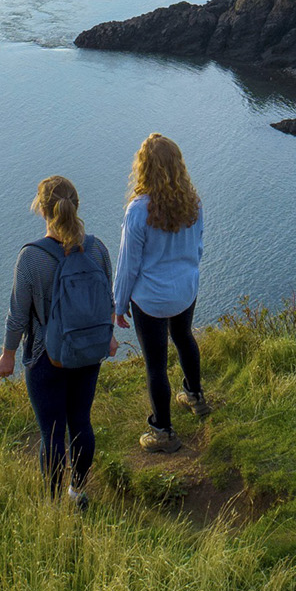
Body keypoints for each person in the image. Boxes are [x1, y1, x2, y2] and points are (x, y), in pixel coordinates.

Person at [0, 175, 116, 509]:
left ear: (42, 210)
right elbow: (107, 298)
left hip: (46, 357)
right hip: (88, 353)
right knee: (81, 422)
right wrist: (110, 337)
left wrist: (7, 355)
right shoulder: (96, 248)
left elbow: (18, 315)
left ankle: (51, 505)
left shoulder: (32, 258)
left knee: (52, 433)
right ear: (76, 206)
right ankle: (77, 492)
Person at [113, 133, 207, 454]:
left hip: (152, 299)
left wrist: (119, 304)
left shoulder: (138, 211)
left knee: (155, 363)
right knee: (184, 337)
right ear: (177, 166)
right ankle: (195, 396)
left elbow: (128, 265)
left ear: (145, 168)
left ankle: (163, 432)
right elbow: (197, 248)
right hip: (185, 291)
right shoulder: (193, 202)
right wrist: (185, 277)